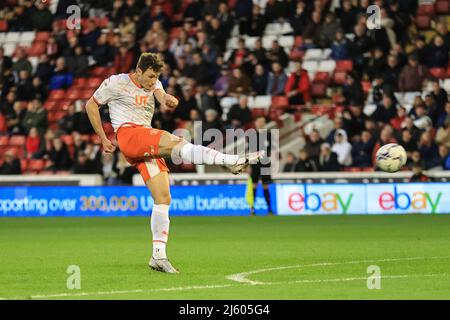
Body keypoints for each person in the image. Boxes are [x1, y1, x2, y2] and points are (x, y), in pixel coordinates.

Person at [85, 53, 263, 274]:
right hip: (130, 135)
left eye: (156, 77)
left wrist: (168, 99)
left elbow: (161, 95)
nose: (152, 81)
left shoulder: (154, 83)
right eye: (149, 76)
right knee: (177, 142)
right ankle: (229, 161)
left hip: (144, 140)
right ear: (138, 71)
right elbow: (91, 106)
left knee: (163, 197)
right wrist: (103, 137)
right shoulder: (116, 83)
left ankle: (158, 256)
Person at [248, 116, 273, 216]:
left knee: (265, 185)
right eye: (259, 121)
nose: (261, 123)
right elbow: (250, 151)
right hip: (255, 162)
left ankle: (269, 209)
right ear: (256, 123)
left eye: (263, 121)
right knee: (254, 185)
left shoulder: (269, 135)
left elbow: (270, 150)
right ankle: (252, 209)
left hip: (265, 162)